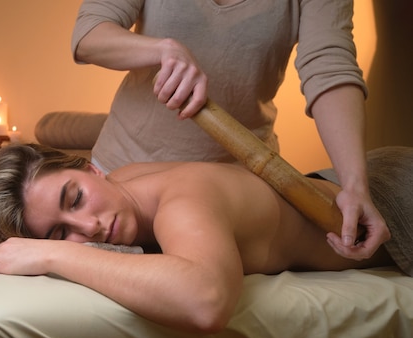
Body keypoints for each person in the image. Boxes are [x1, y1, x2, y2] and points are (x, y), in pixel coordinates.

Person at [0, 145, 412, 325]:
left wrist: (54, 254)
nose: (90, 227)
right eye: (59, 232)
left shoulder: (183, 200)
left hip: (397, 197)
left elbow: (206, 300)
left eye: (75, 199)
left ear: (92, 168)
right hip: (329, 179)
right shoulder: (127, 182)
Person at [71, 0, 390, 260]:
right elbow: (89, 34)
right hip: (121, 178)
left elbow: (329, 64)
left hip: (227, 190)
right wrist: (164, 49)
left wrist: (354, 185)